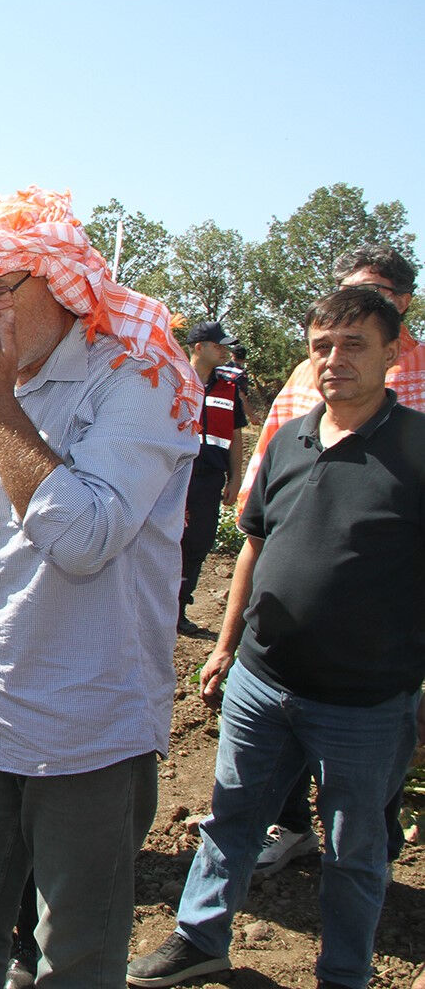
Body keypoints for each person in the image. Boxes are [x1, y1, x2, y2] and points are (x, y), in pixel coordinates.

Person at [0, 187, 200, 988]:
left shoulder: (134, 382)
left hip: (86, 731)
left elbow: (84, 540)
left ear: (64, 285)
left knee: (75, 957)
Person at [127, 287, 425, 989]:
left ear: (393, 352)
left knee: (354, 851)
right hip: (264, 681)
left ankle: (344, 972)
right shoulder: (290, 437)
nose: (333, 359)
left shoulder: (418, 448)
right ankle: (200, 939)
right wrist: (227, 647)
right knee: (231, 819)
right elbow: (254, 549)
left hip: (365, 701)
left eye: (353, 344)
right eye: (321, 345)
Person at [237, 243, 423, 881]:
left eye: (370, 297)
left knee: (363, 794)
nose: (336, 353)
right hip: (281, 647)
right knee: (261, 772)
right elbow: (274, 466)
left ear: (399, 311)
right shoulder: (310, 374)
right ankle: (289, 829)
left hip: (377, 652)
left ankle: (364, 889)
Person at [177, 320, 246, 634]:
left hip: (208, 478)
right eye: (218, 345)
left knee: (198, 542)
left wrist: (235, 478)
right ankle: (153, 608)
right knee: (166, 540)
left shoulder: (229, 388)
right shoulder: (172, 378)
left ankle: (178, 610)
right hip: (174, 474)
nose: (224, 351)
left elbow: (235, 436)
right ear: (198, 348)